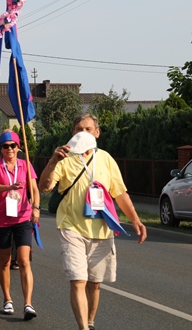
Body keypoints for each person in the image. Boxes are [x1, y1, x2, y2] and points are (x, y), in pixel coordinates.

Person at [39, 114, 147, 330]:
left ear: (97, 133)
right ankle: (83, 328)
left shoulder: (106, 159)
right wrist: (52, 162)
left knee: (94, 284)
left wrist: (135, 220)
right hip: (71, 227)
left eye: (88, 129)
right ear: (73, 133)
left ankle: (90, 322)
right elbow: (44, 187)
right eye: (79, 129)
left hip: (101, 230)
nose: (84, 133)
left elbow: (120, 193)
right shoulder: (64, 158)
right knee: (78, 279)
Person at [0, 131, 39, 320]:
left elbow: (34, 189)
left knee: (24, 261)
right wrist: (9, 187)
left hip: (22, 218)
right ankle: (7, 299)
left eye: (13, 145)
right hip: (1, 219)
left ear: (18, 147)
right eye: (5, 146)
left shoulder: (25, 165)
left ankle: (28, 304)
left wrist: (36, 207)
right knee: (5, 262)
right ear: (1, 149)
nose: (9, 149)